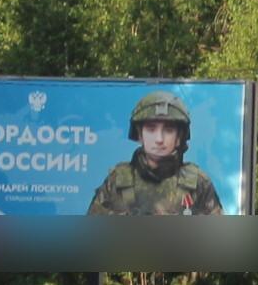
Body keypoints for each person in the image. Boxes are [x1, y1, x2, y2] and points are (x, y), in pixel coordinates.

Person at [89, 91, 226, 216]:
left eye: (168, 130)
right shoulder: (117, 181)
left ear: (179, 138)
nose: (159, 139)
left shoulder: (198, 184)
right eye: (151, 129)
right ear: (140, 135)